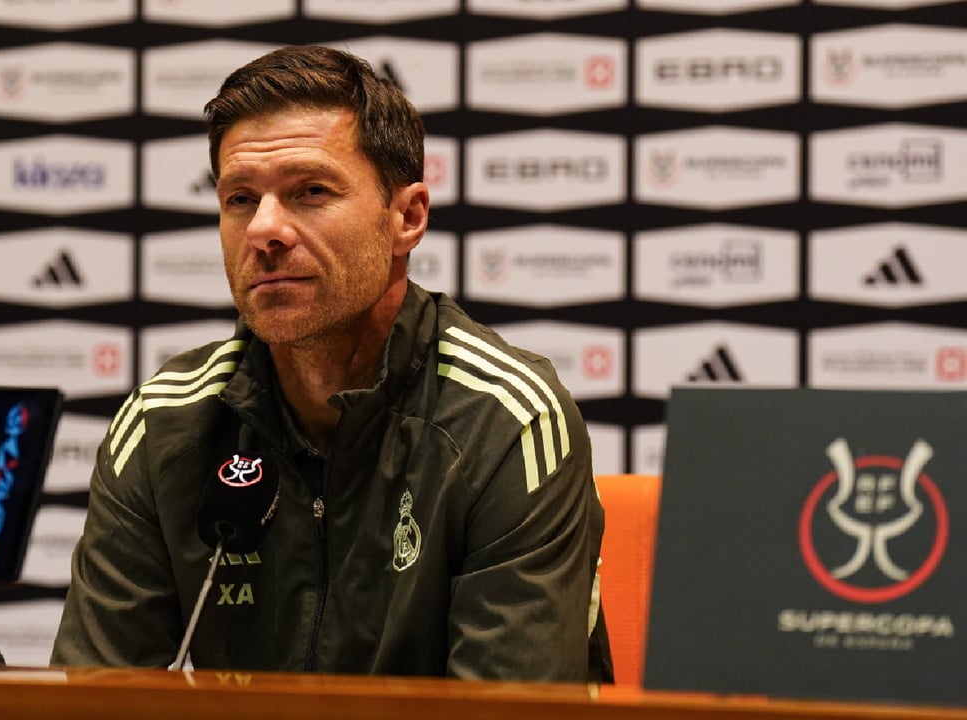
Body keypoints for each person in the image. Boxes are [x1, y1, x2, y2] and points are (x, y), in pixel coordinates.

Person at [51, 45, 614, 682]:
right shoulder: (163, 425)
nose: (264, 229)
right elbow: (93, 697)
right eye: (240, 199)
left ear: (407, 218)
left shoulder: (505, 422)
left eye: (310, 192)